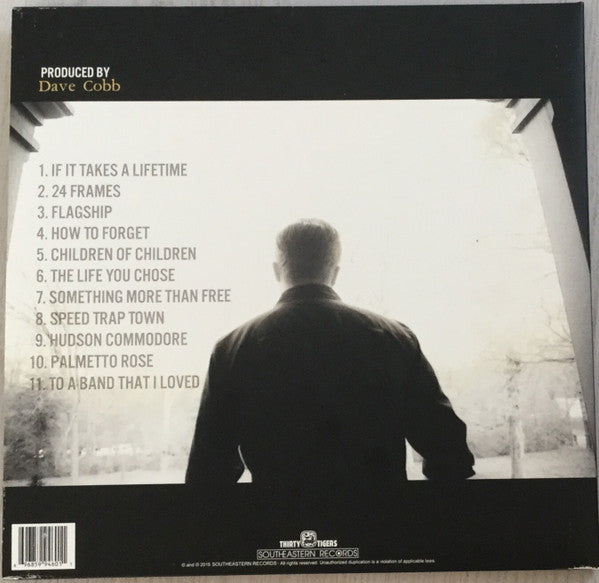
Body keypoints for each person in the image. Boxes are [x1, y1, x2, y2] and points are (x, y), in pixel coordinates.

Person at [185, 219, 474, 490]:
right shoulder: (394, 338)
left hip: (279, 521)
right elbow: (450, 452)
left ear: (276, 271)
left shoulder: (232, 349)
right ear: (335, 272)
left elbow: (208, 472)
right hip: (380, 521)